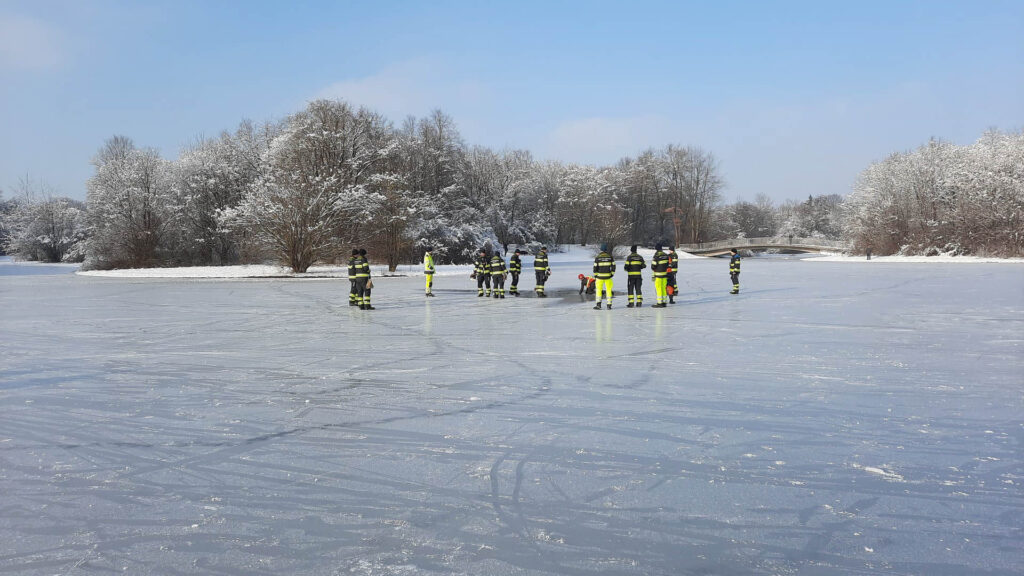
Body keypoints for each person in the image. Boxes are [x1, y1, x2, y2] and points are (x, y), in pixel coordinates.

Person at [592, 243, 615, 310]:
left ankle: (598, 305)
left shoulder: (598, 257)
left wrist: (596, 275)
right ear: (606, 249)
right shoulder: (610, 257)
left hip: (599, 277)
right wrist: (612, 273)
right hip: (608, 277)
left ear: (601, 249)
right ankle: (609, 305)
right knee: (609, 290)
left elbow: (595, 267)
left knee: (599, 290)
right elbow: (613, 266)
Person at [651, 243, 670, 307]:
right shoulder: (666, 255)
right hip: (665, 274)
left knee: (658, 288)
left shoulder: (656, 255)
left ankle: (659, 303)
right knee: (664, 288)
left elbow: (653, 266)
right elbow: (668, 264)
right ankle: (664, 302)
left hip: (658, 275)